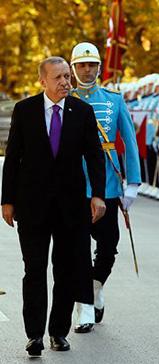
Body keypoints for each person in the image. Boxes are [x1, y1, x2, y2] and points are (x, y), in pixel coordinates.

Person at [1, 56, 106, 356]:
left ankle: (58, 332)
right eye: (58, 77)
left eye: (66, 77)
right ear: (42, 81)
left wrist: (97, 194)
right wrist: (7, 200)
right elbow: (13, 158)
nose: (65, 82)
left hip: (71, 208)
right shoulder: (25, 110)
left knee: (65, 270)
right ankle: (34, 335)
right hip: (32, 205)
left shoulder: (82, 112)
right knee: (34, 269)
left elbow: (95, 156)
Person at [69, 42, 141, 333]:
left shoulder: (114, 100)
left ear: (99, 67)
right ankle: (84, 306)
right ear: (73, 69)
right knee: (76, 249)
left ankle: (96, 286)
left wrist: (133, 182)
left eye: (91, 65)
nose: (87, 70)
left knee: (108, 246)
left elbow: (130, 142)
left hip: (108, 184)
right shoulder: (66, 98)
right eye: (81, 65)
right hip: (74, 183)